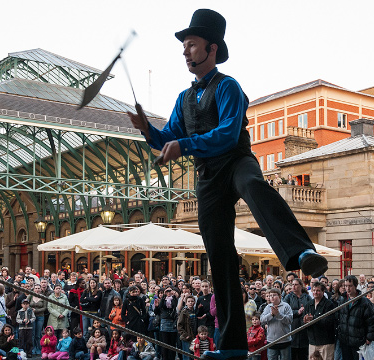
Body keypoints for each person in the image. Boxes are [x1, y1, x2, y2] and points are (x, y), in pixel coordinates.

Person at [128, 9, 327, 360]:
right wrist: (147, 130)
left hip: (235, 161)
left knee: (254, 187)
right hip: (208, 179)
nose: (185, 52)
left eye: (191, 45)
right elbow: (168, 138)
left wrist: (183, 145)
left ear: (212, 48)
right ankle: (233, 346)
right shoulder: (184, 98)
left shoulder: (228, 86)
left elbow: (226, 135)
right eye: (184, 46)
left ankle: (302, 252)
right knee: (219, 257)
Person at [334, 275, 374, 360]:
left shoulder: (364, 302)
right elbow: (338, 318)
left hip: (359, 342)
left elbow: (372, 322)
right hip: (345, 341)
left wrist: (369, 338)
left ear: (355, 286)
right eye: (346, 286)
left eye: (350, 286)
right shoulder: (342, 300)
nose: (348, 288)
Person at [302, 283, 335, 360]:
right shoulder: (308, 304)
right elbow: (302, 322)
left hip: (326, 342)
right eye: (314, 290)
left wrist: (314, 319)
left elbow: (329, 322)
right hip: (312, 341)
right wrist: (305, 321)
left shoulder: (329, 304)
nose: (315, 292)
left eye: (318, 290)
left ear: (323, 292)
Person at [282, 278, 311, 360]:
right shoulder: (288, 297)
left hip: (304, 329)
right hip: (292, 327)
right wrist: (297, 312)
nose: (293, 287)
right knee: (292, 354)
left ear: (301, 286)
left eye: (296, 284)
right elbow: (284, 311)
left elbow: (311, 309)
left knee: (304, 354)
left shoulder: (307, 297)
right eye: (292, 285)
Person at [260, 289, 293, 360]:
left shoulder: (286, 306)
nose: (271, 297)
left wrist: (278, 315)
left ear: (280, 296)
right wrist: (271, 314)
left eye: (274, 295)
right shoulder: (268, 307)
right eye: (270, 295)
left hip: (284, 340)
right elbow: (262, 319)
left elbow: (289, 320)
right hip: (271, 340)